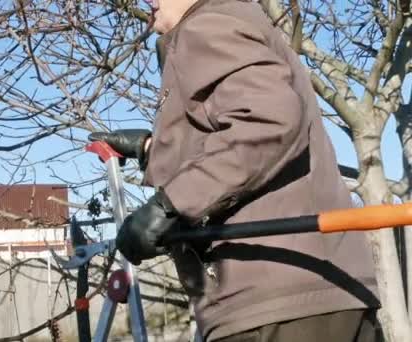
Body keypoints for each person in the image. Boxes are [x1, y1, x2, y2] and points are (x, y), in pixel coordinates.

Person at [88, 0, 382, 341]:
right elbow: (237, 132)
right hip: (313, 293)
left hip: (276, 305)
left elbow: (267, 122)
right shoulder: (235, 23)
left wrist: (170, 206)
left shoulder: (206, 26)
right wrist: (152, 150)